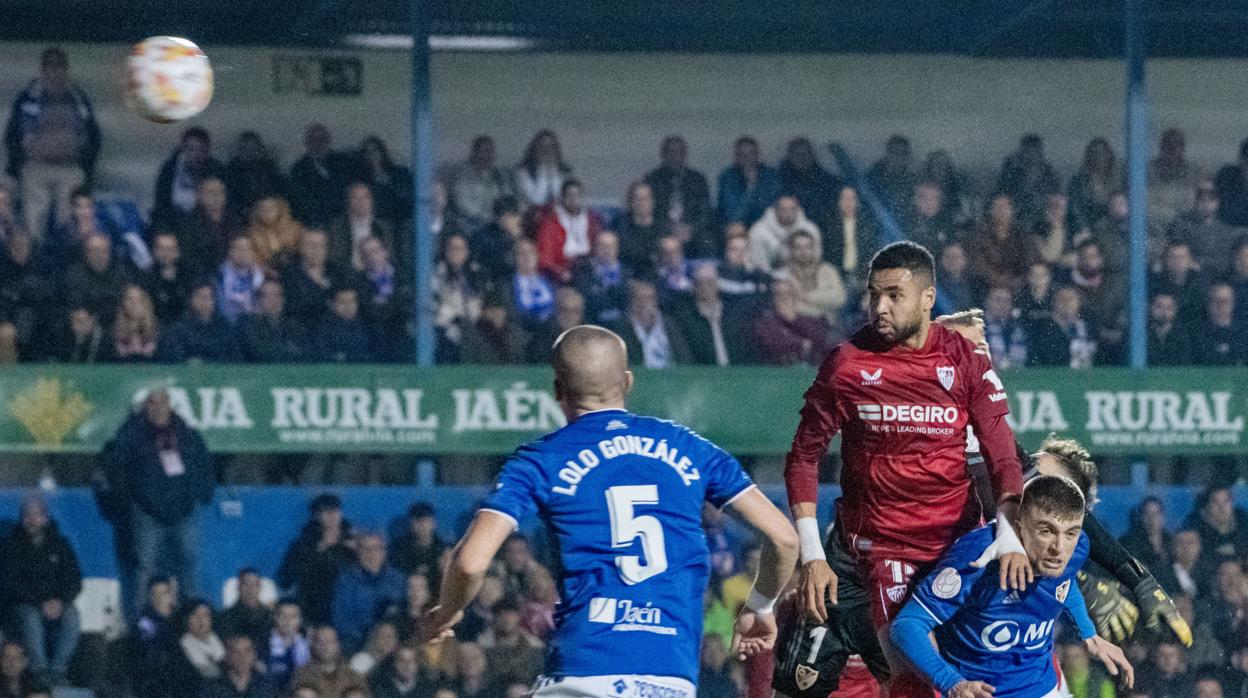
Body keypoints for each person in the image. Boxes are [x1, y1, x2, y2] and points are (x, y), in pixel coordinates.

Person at [421, 324, 799, 695]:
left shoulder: (540, 459)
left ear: (557, 391)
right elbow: (783, 539)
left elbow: (471, 562)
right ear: (628, 382)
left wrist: (450, 609)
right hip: (668, 680)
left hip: (581, 672)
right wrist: (761, 606)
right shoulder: (690, 447)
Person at [774, 241, 1028, 698]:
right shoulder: (847, 364)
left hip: (961, 541)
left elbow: (1003, 457)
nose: (880, 307)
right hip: (885, 548)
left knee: (990, 670)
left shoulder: (965, 359)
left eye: (894, 295)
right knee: (913, 679)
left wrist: (1008, 536)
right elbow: (804, 457)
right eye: (873, 295)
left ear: (928, 299)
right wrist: (812, 555)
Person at [889, 475, 1133, 698]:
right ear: (1018, 525)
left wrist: (1088, 633)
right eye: (1046, 531)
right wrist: (953, 683)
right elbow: (907, 626)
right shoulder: (976, 557)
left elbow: (1064, 583)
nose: (1059, 548)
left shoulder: (1077, 548)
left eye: (1070, 533)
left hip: (1043, 688)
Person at [100, 388, 214, 618]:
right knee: (145, 569)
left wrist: (201, 493)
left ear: (170, 405)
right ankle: (142, 624)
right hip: (147, 513)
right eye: (153, 403)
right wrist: (130, 502)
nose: (159, 408)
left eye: (163, 402)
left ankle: (191, 620)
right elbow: (118, 471)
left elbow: (204, 465)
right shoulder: (130, 435)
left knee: (189, 565)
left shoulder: (187, 434)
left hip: (184, 511)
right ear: (145, 407)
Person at [4, 47, 101, 240]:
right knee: (34, 224)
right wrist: (18, 165)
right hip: (35, 169)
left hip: (70, 169)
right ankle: (33, 265)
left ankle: (67, 265)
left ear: (66, 69)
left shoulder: (78, 98)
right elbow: (12, 133)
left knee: (70, 225)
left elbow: (93, 133)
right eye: (49, 66)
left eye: (59, 66)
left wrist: (86, 166)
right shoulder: (28, 98)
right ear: (42, 69)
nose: (54, 71)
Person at [1, 495, 82, 686]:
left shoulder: (61, 544)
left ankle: (58, 672)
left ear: (45, 517)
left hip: (56, 604)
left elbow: (74, 579)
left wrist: (61, 601)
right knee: (30, 617)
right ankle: (40, 672)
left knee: (72, 615)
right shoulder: (10, 546)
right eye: (27, 514)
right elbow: (10, 582)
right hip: (23, 604)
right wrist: (39, 603)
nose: (32, 519)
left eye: (37, 514)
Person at [278, 494, 356, 626]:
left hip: (348, 610)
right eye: (325, 511)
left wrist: (358, 551)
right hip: (313, 611)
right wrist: (319, 551)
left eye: (335, 511)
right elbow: (286, 579)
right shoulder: (303, 545)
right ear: (316, 516)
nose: (331, 516)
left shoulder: (354, 543)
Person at [671, 263, 752, 366]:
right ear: (693, 287)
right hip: (704, 374)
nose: (705, 287)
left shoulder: (734, 313)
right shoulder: (685, 318)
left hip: (737, 371)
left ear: (717, 284)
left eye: (709, 282)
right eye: (699, 283)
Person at [642, 136, 712, 256]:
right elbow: (649, 212)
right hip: (662, 229)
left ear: (685, 155)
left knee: (707, 240)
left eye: (679, 152)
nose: (675, 157)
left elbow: (705, 211)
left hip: (691, 229)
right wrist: (670, 229)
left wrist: (691, 228)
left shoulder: (697, 179)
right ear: (663, 155)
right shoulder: (652, 179)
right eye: (671, 152)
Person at [1166, 177, 1245, 279]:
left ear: (1218, 202)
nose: (1206, 204)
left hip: (1219, 277)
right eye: (1202, 199)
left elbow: (1225, 260)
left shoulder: (1226, 229)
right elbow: (1176, 249)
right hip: (1189, 274)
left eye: (1211, 199)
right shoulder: (1182, 223)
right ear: (1195, 201)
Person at [153, 127, 227, 232]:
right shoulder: (170, 169)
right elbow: (161, 204)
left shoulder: (217, 170)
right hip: (174, 223)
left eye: (200, 150)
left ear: (207, 151)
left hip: (206, 225)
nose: (195, 154)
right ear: (183, 149)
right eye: (191, 149)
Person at [288, 124, 358, 228]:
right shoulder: (298, 169)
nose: (318, 144)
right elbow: (301, 201)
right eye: (313, 140)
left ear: (328, 141)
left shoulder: (343, 162)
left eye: (322, 139)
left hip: (344, 221)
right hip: (314, 223)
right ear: (307, 144)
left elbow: (350, 190)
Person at [171, 176, 242, 278]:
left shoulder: (234, 221)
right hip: (201, 276)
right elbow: (188, 255)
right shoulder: (188, 223)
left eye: (220, 192)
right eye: (210, 193)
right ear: (199, 195)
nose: (216, 197)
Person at [751, 277, 831, 366]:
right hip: (778, 366)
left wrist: (794, 319)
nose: (784, 299)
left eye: (788, 295)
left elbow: (819, 337)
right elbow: (771, 340)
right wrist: (800, 344)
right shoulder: (766, 318)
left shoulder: (808, 316)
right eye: (779, 296)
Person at [534, 179, 603, 282]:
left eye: (577, 196)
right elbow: (546, 258)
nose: (574, 200)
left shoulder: (592, 220)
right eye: (570, 195)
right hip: (564, 270)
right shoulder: (551, 223)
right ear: (562, 198)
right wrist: (560, 272)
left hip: (589, 266)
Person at [158, 283, 243, 363]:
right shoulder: (178, 331)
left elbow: (234, 359)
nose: (205, 302)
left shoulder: (225, 329)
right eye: (201, 297)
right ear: (191, 300)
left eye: (209, 297)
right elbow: (174, 359)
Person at [615, 279, 690, 368]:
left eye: (648, 298)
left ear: (656, 301)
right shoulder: (622, 328)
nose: (643, 303)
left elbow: (684, 356)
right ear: (631, 301)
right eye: (638, 298)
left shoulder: (669, 324)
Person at [995, 134, 1062, 230]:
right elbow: (1002, 199)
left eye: (1033, 153)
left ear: (1040, 156)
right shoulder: (1010, 175)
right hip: (1015, 226)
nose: (1029, 158)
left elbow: (1056, 204)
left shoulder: (1050, 177)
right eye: (1025, 152)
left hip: (1043, 225)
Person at [780, 229, 846, 327]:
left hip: (825, 325)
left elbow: (839, 298)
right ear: (791, 250)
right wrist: (820, 304)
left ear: (813, 249)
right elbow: (786, 308)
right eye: (798, 247)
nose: (803, 252)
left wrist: (804, 295)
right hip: (795, 325)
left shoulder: (827, 270)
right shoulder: (783, 274)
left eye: (807, 247)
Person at [448, 135, 510, 234]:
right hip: (468, 227)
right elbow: (462, 205)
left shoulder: (499, 175)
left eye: (490, 152)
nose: (486, 156)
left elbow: (506, 199)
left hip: (493, 227)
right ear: (474, 153)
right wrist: (488, 216)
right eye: (483, 151)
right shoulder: (461, 176)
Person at [779, 136, 843, 231]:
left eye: (805, 153)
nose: (802, 158)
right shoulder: (780, 180)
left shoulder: (827, 180)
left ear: (812, 155)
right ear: (790, 156)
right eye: (797, 154)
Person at [239, 279, 309, 363]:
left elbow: (302, 350)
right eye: (267, 296)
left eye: (277, 295)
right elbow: (257, 351)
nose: (273, 300)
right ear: (259, 300)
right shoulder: (251, 324)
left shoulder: (293, 324)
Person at [327, 182, 394, 270]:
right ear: (348, 201)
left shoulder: (383, 228)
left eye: (365, 197)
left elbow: (390, 256)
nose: (361, 202)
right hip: (346, 277)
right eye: (355, 198)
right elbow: (335, 258)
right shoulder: (336, 228)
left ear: (372, 200)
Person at [747, 194, 822, 272]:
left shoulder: (810, 229)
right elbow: (759, 264)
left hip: (803, 275)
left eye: (792, 209)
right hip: (769, 276)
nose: (788, 213)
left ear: (798, 209)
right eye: (783, 209)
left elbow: (816, 257)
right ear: (776, 210)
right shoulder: (759, 231)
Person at [571, 230, 630, 329]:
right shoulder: (583, 272)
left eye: (611, 246)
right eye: (602, 246)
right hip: (594, 324)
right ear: (594, 247)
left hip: (623, 326)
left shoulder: (628, 273)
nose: (607, 250)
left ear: (617, 248)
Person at [718, 135, 781, 226]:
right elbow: (733, 214)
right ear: (736, 156)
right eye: (742, 154)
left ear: (758, 155)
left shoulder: (770, 175)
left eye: (751, 153)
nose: (747, 158)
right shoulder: (728, 177)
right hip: (739, 227)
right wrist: (750, 187)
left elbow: (771, 207)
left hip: (766, 226)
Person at [1148, 128, 1204, 227]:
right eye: (1168, 146)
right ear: (1162, 148)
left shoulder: (1194, 171)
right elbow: (1146, 202)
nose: (1173, 150)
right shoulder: (1149, 171)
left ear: (1183, 148)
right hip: (1155, 224)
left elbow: (1199, 200)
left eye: (1177, 146)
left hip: (1186, 225)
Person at [225, 130, 286, 219]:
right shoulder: (231, 170)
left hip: (268, 212)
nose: (249, 152)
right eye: (245, 148)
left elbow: (278, 191)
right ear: (239, 150)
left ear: (259, 149)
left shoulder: (268, 168)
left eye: (253, 148)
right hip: (241, 215)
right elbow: (230, 198)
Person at [290, 626, 367, 697]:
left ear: (338, 645)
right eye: (320, 641)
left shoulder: (354, 677)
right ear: (314, 646)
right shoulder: (302, 675)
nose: (325, 645)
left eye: (330, 641)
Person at [199, 634, 279, 698]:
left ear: (254, 654)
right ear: (226, 656)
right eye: (236, 652)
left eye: (247, 651)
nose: (242, 657)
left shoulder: (267, 686)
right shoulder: (211, 687)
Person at [357, 136, 412, 225]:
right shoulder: (361, 179)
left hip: (401, 220)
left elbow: (406, 197)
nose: (372, 155)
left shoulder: (400, 172)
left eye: (375, 150)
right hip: (377, 223)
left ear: (382, 152)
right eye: (367, 152)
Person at [1185, 486, 1248, 564]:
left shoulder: (1242, 518)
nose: (1222, 507)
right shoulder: (1194, 525)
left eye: (1226, 501)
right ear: (1206, 507)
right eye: (1215, 502)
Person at [217, 568, 274, 655]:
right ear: (239, 587)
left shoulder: (271, 616)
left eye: (254, 585)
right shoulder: (225, 617)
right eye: (246, 584)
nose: (250, 589)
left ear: (260, 587)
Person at [512, 129, 572, 209]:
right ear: (535, 149)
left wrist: (553, 171)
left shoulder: (565, 171)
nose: (547, 151)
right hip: (532, 216)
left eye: (551, 147)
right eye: (542, 147)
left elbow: (563, 198)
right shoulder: (522, 171)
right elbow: (536, 200)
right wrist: (542, 170)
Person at [469, 194, 523, 280]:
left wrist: (517, 240)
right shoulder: (483, 237)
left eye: (516, 216)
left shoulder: (523, 237)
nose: (516, 220)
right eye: (510, 216)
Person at [141, 232, 192, 324]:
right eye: (162, 249)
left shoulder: (188, 276)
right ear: (154, 251)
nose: (166, 254)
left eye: (170, 249)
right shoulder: (145, 278)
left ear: (177, 252)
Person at [215, 236, 266, 325]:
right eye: (239, 248)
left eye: (247, 249)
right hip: (225, 324)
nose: (243, 253)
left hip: (254, 324)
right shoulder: (218, 276)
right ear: (230, 252)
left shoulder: (262, 277)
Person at [316, 287, 375, 363]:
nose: (348, 306)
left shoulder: (368, 324)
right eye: (342, 302)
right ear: (333, 305)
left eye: (352, 302)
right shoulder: (324, 325)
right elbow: (321, 350)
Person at [865, 135, 918, 219]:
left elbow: (914, 210)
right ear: (887, 154)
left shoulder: (912, 181)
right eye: (895, 152)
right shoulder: (872, 178)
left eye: (903, 153)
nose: (899, 157)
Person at [1194, 282, 1246, 366]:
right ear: (1208, 303)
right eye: (1215, 300)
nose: (1220, 305)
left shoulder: (1244, 334)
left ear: (1233, 303)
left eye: (1224, 301)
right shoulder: (1196, 334)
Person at [245, 196, 304, 270]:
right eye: (263, 209)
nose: (267, 212)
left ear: (280, 209)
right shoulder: (252, 234)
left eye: (272, 208)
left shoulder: (295, 228)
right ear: (257, 212)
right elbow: (254, 259)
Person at [264, 601, 310, 689]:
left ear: (300, 620)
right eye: (283, 616)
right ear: (275, 617)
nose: (288, 621)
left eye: (293, 616)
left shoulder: (307, 644)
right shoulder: (264, 642)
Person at [112, 284, 160, 362]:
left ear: (145, 303)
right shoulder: (115, 328)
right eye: (129, 299)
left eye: (138, 300)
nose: (133, 304)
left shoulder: (157, 328)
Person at [1146, 293, 1193, 366]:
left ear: (1175, 310)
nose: (1163, 312)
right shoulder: (1142, 335)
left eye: (1169, 308)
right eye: (1159, 307)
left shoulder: (1182, 336)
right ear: (1150, 308)